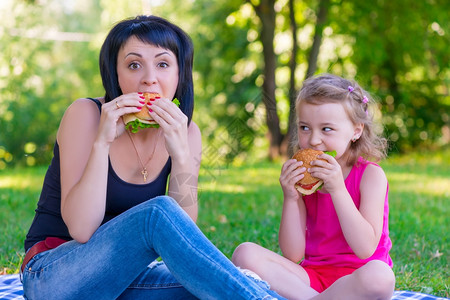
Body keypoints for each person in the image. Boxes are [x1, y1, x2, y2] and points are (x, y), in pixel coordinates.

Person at [21, 15, 284, 300]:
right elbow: (82, 230)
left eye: (163, 64)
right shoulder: (86, 115)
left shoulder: (187, 132)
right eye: (134, 65)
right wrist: (102, 143)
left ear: (179, 74)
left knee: (219, 285)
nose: (149, 78)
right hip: (50, 277)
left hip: (120, 279)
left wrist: (181, 156)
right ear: (116, 75)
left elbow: (183, 237)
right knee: (157, 213)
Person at [232, 74, 395, 300]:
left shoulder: (370, 175)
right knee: (245, 253)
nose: (313, 140)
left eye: (326, 129)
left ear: (356, 131)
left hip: (358, 278)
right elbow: (293, 254)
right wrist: (291, 197)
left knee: (381, 277)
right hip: (312, 278)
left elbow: (365, 248)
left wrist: (338, 189)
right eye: (305, 127)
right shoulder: (304, 179)